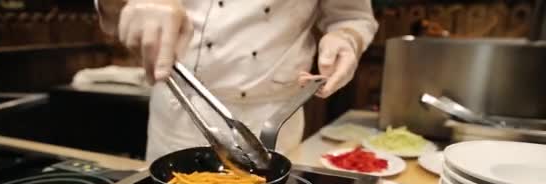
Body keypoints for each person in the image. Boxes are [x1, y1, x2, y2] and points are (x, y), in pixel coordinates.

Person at [95, 0, 378, 161]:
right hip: (178, 110)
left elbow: (352, 16)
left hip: (272, 118)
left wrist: (346, 38)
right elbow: (112, 7)